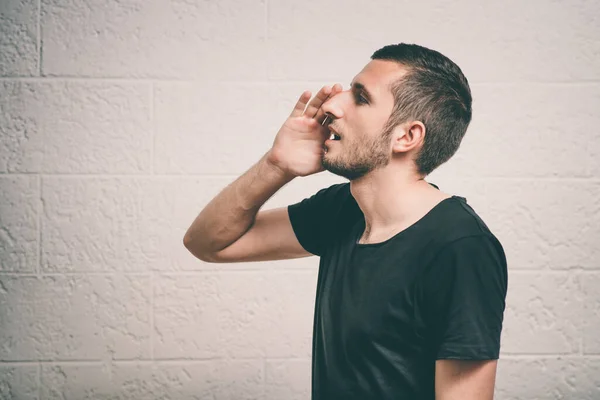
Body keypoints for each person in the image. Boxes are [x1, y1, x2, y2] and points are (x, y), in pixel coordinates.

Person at [183, 43, 508, 400]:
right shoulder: (343, 211)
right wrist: (276, 166)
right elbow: (208, 243)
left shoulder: (461, 248)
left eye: (360, 98)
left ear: (407, 136)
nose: (331, 106)